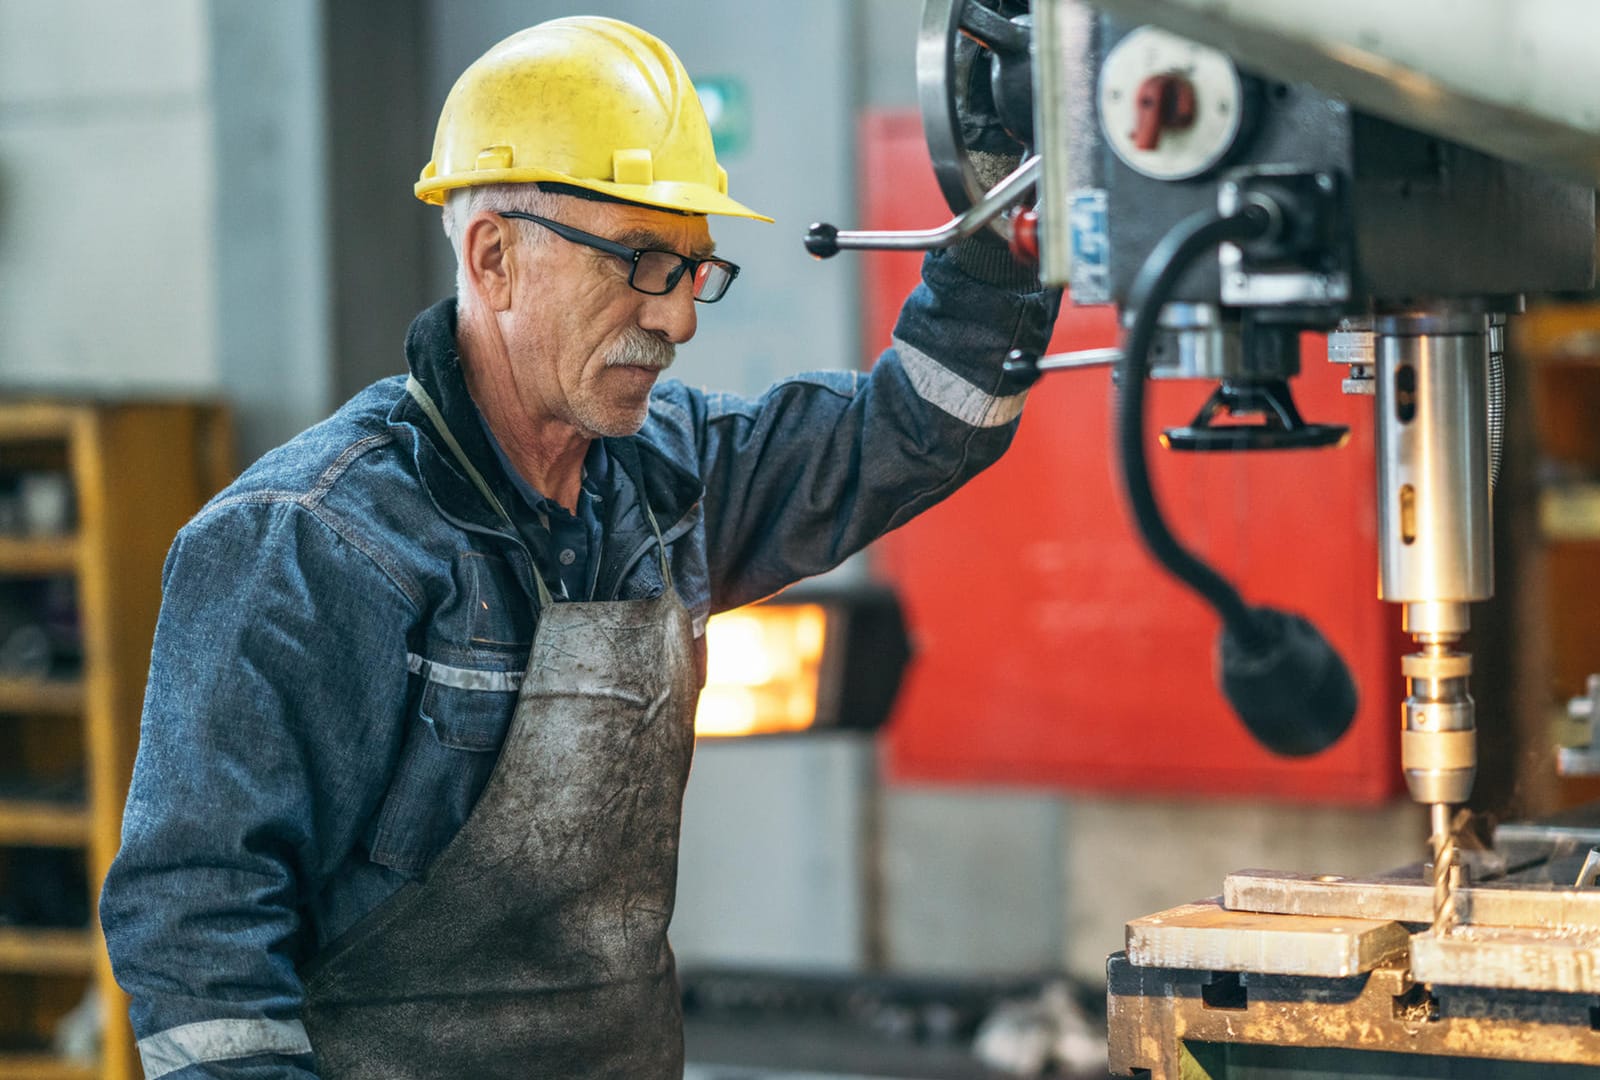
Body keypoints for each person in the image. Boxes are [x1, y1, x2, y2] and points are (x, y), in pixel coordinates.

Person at [99, 17, 1055, 1079]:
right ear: (494, 257)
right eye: (644, 263)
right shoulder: (306, 543)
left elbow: (919, 428)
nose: (680, 321)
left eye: (697, 270)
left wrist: (1012, 219)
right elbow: (196, 926)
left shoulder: (673, 480)